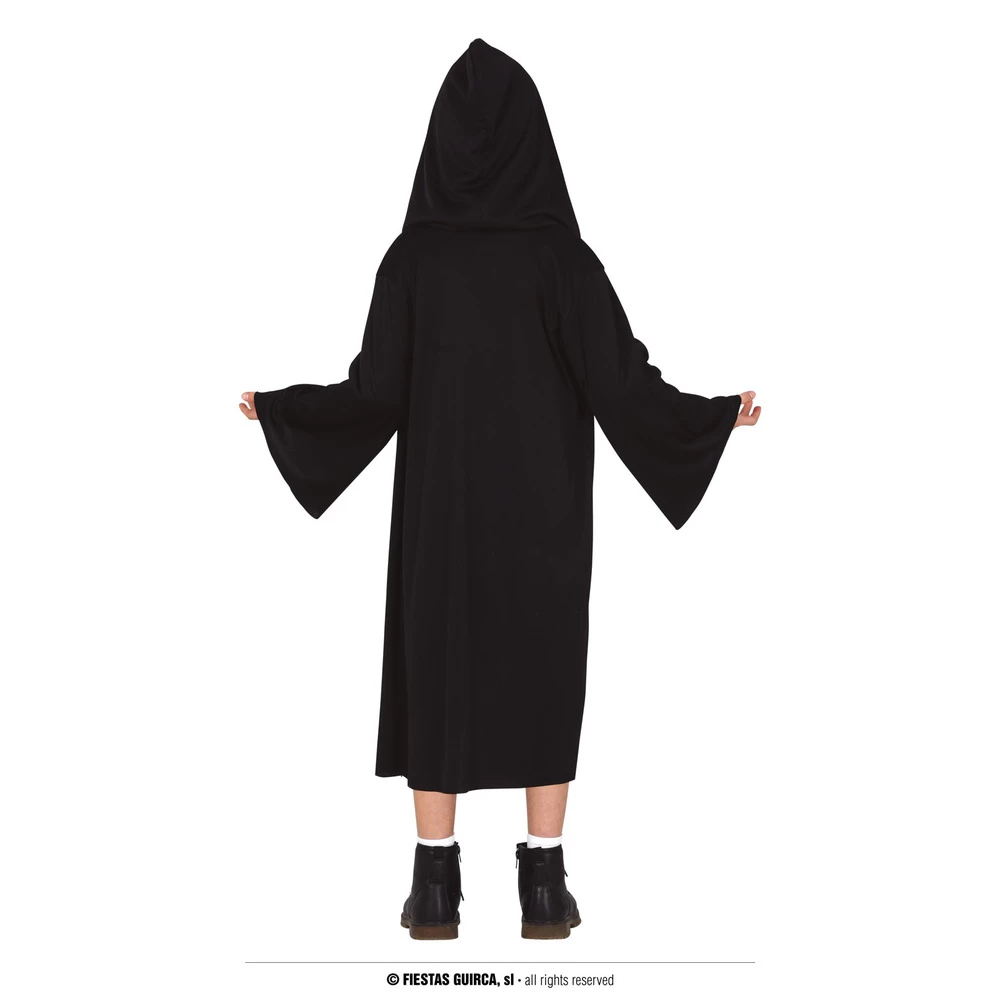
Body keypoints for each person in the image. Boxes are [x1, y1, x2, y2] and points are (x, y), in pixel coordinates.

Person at [240, 38, 760, 941]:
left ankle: (434, 888)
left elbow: (374, 392)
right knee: (543, 669)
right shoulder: (563, 261)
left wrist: (284, 411)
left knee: (436, 671)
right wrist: (709, 418)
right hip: (543, 518)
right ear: (533, 135)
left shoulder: (413, 261)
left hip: (440, 520)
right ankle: (544, 888)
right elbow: (621, 384)